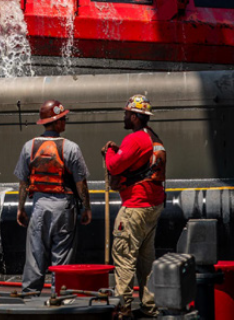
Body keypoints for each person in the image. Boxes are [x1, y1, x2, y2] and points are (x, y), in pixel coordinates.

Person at [14, 99, 92, 294]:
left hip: (39, 207)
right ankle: (61, 296)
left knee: (35, 256)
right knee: (62, 258)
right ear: (56, 122)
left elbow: (23, 182)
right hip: (64, 209)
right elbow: (81, 182)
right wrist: (87, 208)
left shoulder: (28, 147)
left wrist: (20, 209)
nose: (65, 121)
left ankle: (29, 297)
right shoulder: (71, 148)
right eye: (63, 118)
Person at [102, 94, 166, 319]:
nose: (124, 116)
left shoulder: (135, 138)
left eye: (127, 113)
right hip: (152, 207)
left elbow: (114, 165)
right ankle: (150, 306)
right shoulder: (152, 138)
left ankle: (122, 309)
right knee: (146, 262)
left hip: (134, 208)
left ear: (136, 117)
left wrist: (110, 151)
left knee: (124, 258)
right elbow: (138, 162)